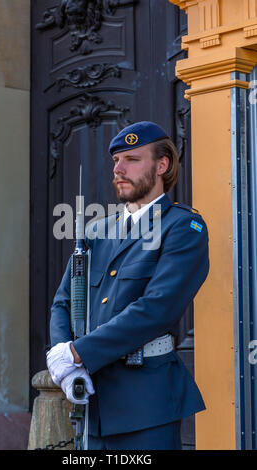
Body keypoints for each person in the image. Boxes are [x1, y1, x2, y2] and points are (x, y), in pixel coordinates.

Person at [46, 121, 209, 450]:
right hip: (91, 398)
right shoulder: (97, 232)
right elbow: (63, 302)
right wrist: (64, 364)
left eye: (132, 159)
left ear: (162, 165)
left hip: (145, 405)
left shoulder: (183, 227)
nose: (119, 169)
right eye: (116, 161)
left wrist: (78, 353)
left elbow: (157, 308)